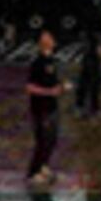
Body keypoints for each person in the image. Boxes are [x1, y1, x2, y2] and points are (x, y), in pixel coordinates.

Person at [24, 30, 65, 180]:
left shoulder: (52, 61)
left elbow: (52, 82)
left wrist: (62, 86)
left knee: (52, 140)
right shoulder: (37, 63)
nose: (50, 40)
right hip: (41, 109)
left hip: (52, 107)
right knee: (42, 141)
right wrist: (49, 92)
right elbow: (29, 87)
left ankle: (43, 166)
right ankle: (33, 172)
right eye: (47, 38)